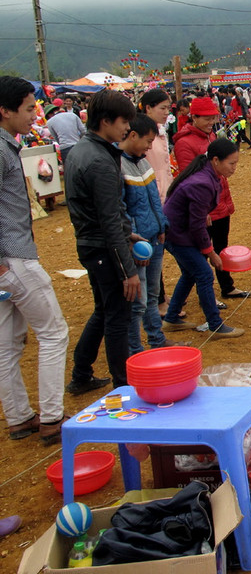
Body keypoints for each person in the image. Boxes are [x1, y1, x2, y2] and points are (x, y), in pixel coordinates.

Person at [0, 76, 69, 444]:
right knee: (54, 332)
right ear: (5, 111)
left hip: (8, 261)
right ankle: (52, 417)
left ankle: (19, 417)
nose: (33, 115)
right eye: (28, 108)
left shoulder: (8, 145)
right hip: (14, 259)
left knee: (7, 344)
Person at [64, 90, 140, 391]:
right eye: (124, 122)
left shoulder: (84, 150)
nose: (127, 128)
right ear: (105, 121)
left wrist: (125, 230)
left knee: (104, 310)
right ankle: (124, 387)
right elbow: (108, 219)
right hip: (103, 248)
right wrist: (128, 271)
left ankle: (81, 374)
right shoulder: (99, 160)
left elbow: (106, 212)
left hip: (92, 244)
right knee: (118, 317)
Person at [162, 138, 244, 338]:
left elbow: (194, 211)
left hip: (178, 231)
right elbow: (196, 225)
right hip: (177, 234)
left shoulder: (209, 175)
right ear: (215, 160)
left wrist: (202, 212)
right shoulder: (203, 181)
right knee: (205, 274)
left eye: (236, 163)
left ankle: (171, 318)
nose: (234, 168)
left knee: (191, 273)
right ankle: (215, 325)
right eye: (231, 163)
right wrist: (210, 252)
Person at [173, 97, 248, 302]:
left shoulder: (212, 135)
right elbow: (188, 177)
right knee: (203, 252)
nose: (209, 122)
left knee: (222, 246)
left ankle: (227, 286)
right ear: (193, 117)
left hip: (220, 201)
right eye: (205, 118)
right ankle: (206, 294)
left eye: (212, 117)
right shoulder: (184, 142)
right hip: (203, 206)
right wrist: (202, 210)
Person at [119, 114, 175, 353]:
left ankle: (157, 340)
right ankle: (135, 349)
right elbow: (120, 209)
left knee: (151, 296)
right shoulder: (117, 166)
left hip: (155, 238)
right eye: (147, 141)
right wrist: (133, 239)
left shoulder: (143, 162)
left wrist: (162, 225)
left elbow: (154, 198)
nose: (150, 147)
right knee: (138, 302)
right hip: (138, 243)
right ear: (132, 136)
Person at [139, 89, 174, 203]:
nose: (167, 112)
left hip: (166, 192)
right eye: (163, 108)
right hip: (153, 195)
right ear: (148, 108)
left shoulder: (160, 130)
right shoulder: (140, 134)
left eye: (168, 108)